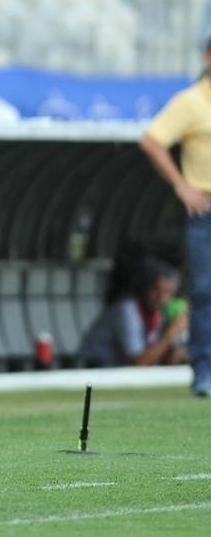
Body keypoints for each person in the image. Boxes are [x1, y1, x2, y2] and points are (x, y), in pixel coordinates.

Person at [140, 53, 211, 396]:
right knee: (205, 291)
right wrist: (182, 186)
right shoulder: (191, 101)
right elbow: (151, 140)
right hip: (205, 210)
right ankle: (204, 372)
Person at [80, 254, 188, 368]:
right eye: (157, 290)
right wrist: (170, 334)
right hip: (93, 371)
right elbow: (140, 362)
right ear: (145, 288)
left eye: (167, 292)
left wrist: (176, 347)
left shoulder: (160, 313)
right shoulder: (127, 311)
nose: (161, 298)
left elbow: (161, 359)